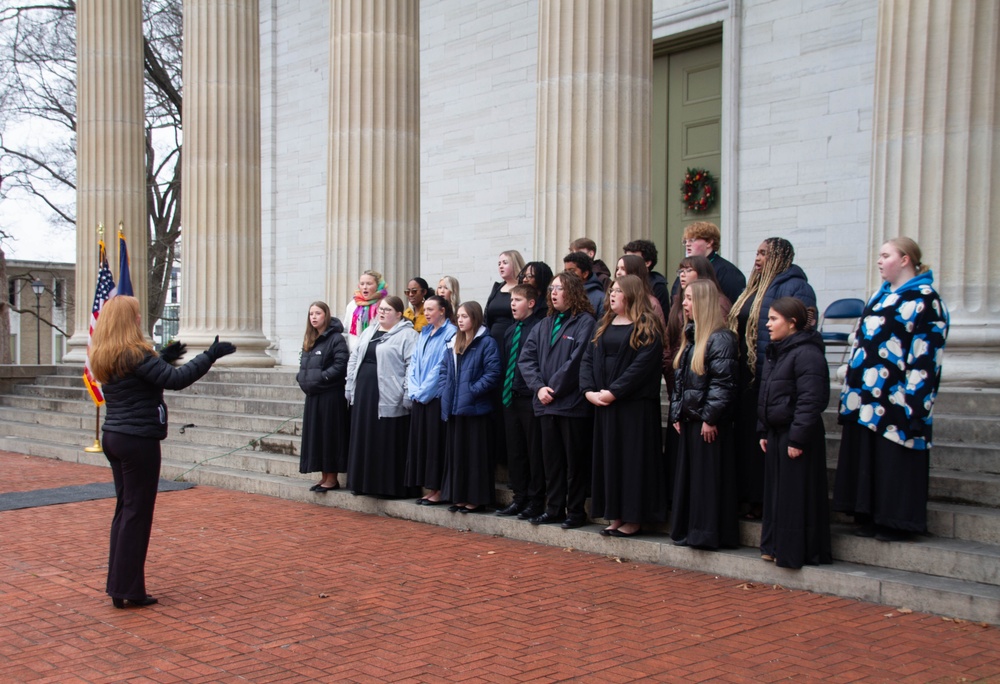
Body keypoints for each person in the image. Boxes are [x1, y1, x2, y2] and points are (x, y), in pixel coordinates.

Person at [88, 295, 236, 609]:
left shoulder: (107, 352)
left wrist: (163, 358)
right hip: (137, 439)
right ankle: (129, 589)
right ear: (128, 320)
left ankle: (119, 585)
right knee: (137, 513)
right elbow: (177, 380)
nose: (140, 317)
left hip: (115, 436)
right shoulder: (134, 353)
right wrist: (210, 355)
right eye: (137, 314)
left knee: (125, 511)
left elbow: (147, 378)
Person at [833, 237, 949, 542]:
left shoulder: (925, 299)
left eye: (886, 255)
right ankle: (870, 514)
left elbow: (926, 355)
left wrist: (917, 402)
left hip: (899, 396)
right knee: (870, 459)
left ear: (906, 259)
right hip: (868, 397)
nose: (879, 260)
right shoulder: (879, 296)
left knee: (894, 459)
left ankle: (895, 521)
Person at [728, 238, 816, 521]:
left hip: (771, 370)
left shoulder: (795, 286)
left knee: (760, 442)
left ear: (779, 257)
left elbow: (804, 325)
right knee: (745, 438)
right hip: (747, 372)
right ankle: (745, 495)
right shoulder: (753, 286)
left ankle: (761, 501)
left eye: (764, 253)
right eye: (756, 252)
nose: (758, 258)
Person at [582, 275, 667, 538]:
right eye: (611, 291)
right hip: (605, 405)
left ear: (631, 294)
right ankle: (615, 513)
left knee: (632, 462)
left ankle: (633, 517)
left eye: (618, 291)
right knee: (611, 461)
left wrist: (614, 392)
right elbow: (587, 359)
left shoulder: (647, 326)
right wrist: (589, 391)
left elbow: (642, 367)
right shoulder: (604, 323)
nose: (612, 295)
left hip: (633, 408)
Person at [757, 297, 832, 568]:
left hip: (796, 435)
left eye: (774, 319)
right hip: (777, 432)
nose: (767, 324)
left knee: (795, 495)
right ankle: (775, 546)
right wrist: (764, 428)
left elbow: (811, 399)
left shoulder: (807, 353)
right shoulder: (778, 351)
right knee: (778, 494)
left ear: (792, 323)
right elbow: (767, 392)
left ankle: (796, 550)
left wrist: (798, 437)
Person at [518, 271, 597, 529]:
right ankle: (553, 508)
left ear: (572, 291)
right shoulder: (544, 324)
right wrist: (539, 388)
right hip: (544, 404)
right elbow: (526, 359)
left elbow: (577, 362)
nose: (553, 293)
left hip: (571, 404)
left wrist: (554, 388)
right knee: (551, 461)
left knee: (574, 462)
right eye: (552, 288)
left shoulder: (585, 322)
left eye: (559, 288)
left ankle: (574, 512)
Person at [670, 280, 739, 550]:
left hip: (706, 423)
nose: (684, 304)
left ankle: (706, 532)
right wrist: (677, 413)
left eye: (688, 299)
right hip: (690, 419)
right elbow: (679, 382)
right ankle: (689, 529)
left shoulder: (720, 339)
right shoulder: (692, 337)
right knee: (691, 480)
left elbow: (723, 384)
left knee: (707, 482)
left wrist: (710, 418)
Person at [345, 295, 419, 497]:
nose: (382, 312)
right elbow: (354, 357)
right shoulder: (370, 330)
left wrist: (406, 392)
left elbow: (411, 365)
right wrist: (350, 384)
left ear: (398, 314)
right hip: (364, 391)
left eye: (387, 310)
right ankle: (361, 483)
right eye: (381, 309)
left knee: (384, 439)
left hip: (388, 393)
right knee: (364, 435)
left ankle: (386, 487)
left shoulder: (408, 335)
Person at [439, 301, 501, 513]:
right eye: (459, 316)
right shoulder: (453, 341)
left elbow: (492, 373)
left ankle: (475, 498)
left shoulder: (486, 342)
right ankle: (459, 496)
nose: (460, 320)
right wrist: (445, 391)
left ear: (475, 318)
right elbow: (444, 371)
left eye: (465, 316)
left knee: (474, 456)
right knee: (458, 455)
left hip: (476, 409)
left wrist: (472, 390)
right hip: (455, 408)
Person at [496, 283, 546, 518]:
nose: (512, 304)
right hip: (510, 398)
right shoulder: (510, 330)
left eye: (517, 300)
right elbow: (507, 363)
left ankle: (536, 501)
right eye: (511, 300)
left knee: (532, 452)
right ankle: (519, 497)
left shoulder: (539, 328)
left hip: (530, 398)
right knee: (515, 451)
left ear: (532, 303)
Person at [406, 295, 457, 505]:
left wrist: (424, 391)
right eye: (424, 310)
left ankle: (437, 489)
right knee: (423, 443)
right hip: (420, 395)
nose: (426, 313)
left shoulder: (451, 332)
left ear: (442, 310)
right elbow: (415, 361)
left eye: (430, 309)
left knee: (436, 444)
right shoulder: (424, 332)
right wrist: (414, 388)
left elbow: (441, 366)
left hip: (435, 396)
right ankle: (428, 487)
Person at [296, 301, 350, 493]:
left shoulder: (336, 339)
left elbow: (341, 363)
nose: (314, 317)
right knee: (317, 435)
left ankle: (332, 478)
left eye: (318, 313)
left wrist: (322, 377)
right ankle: (323, 476)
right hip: (313, 395)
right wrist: (302, 379)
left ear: (326, 315)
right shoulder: (310, 339)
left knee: (329, 435)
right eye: (311, 314)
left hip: (330, 395)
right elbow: (303, 364)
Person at [669, 221, 746, 304]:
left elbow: (733, 306)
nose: (687, 244)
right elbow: (675, 296)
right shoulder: (684, 270)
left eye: (692, 240)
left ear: (709, 242)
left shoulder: (728, 272)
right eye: (685, 241)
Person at [484, 250, 526, 350]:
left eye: (505, 263)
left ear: (515, 264)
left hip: (514, 341)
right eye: (499, 264)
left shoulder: (523, 288)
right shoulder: (497, 288)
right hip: (492, 341)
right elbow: (486, 316)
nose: (501, 266)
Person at [623, 238, 671, 318]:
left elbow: (661, 319)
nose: (627, 263)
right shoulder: (620, 284)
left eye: (632, 259)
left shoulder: (657, 286)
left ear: (647, 263)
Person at [344, 270, 389, 351]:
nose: (365, 287)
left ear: (378, 286)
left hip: (376, 352)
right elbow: (346, 329)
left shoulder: (384, 304)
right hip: (355, 352)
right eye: (362, 284)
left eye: (369, 284)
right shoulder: (352, 305)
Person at [615, 254, 666, 325]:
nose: (618, 273)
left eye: (623, 269)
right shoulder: (613, 298)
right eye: (617, 269)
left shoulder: (651, 303)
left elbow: (658, 332)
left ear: (634, 273)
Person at [563, 252, 606, 319]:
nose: (567, 275)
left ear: (585, 274)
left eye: (572, 271)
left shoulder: (601, 298)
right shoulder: (561, 294)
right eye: (565, 271)